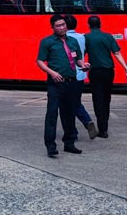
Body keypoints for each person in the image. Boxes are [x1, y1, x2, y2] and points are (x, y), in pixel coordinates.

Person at [36, 13, 90, 157]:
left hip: (71, 82)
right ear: (52, 27)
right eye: (58, 26)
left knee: (69, 114)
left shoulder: (72, 41)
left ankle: (69, 143)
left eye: (63, 25)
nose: (62, 28)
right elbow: (40, 61)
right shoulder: (47, 42)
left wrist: (83, 65)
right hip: (55, 84)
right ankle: (51, 146)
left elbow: (78, 59)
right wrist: (51, 72)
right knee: (52, 114)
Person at [84, 15, 127, 138]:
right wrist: (126, 68)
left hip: (95, 71)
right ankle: (105, 126)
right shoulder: (108, 36)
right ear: (100, 24)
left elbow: (81, 54)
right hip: (109, 71)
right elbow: (117, 53)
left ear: (89, 25)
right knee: (106, 98)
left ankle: (102, 129)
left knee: (97, 99)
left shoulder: (86, 38)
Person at [65, 15, 98, 140]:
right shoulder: (82, 37)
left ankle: (80, 125)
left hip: (68, 75)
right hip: (81, 74)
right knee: (75, 101)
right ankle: (82, 125)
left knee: (68, 104)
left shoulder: (64, 39)